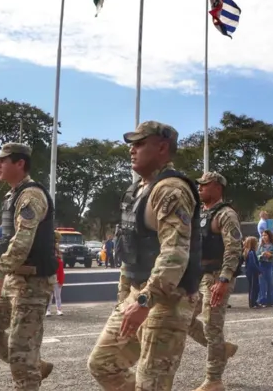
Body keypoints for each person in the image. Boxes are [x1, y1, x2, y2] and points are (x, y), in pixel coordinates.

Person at [86, 121, 202, 391]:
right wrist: (125, 297)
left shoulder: (171, 189)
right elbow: (130, 247)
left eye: (139, 143)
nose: (132, 149)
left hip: (168, 301)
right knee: (102, 363)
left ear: (161, 147)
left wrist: (144, 300)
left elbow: (174, 253)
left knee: (152, 384)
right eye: (132, 144)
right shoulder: (137, 190)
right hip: (138, 294)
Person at [0, 143, 57, 389]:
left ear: (20, 163)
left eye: (3, 160)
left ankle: (29, 368)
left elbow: (22, 241)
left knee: (21, 350)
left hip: (33, 283)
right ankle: (35, 365)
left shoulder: (31, 196)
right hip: (14, 279)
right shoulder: (12, 195)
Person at [186, 171, 243, 391]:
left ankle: (214, 379)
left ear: (218, 187)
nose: (200, 188)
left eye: (205, 185)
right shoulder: (199, 212)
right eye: (199, 185)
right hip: (198, 274)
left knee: (212, 326)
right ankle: (222, 349)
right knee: (185, 319)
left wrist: (224, 279)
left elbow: (233, 248)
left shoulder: (226, 214)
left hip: (217, 276)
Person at [257, 230, 273, 307]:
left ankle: (270, 301)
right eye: (262, 235)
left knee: (270, 283)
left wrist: (271, 256)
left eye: (265, 235)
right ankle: (262, 301)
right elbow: (256, 256)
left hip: (269, 265)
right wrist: (261, 256)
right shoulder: (260, 246)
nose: (264, 237)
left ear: (269, 236)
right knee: (262, 283)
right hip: (261, 265)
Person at [243, 237, 261, 308]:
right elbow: (252, 264)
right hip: (252, 272)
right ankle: (252, 303)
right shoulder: (251, 253)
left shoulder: (249, 252)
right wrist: (258, 270)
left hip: (251, 272)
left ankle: (254, 302)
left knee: (254, 287)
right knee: (253, 287)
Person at [46, 249, 65, 316]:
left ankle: (59, 309)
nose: (55, 254)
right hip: (50, 281)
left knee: (57, 296)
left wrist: (61, 281)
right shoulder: (48, 261)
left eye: (56, 253)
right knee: (49, 296)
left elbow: (61, 272)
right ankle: (48, 310)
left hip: (57, 281)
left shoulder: (59, 261)